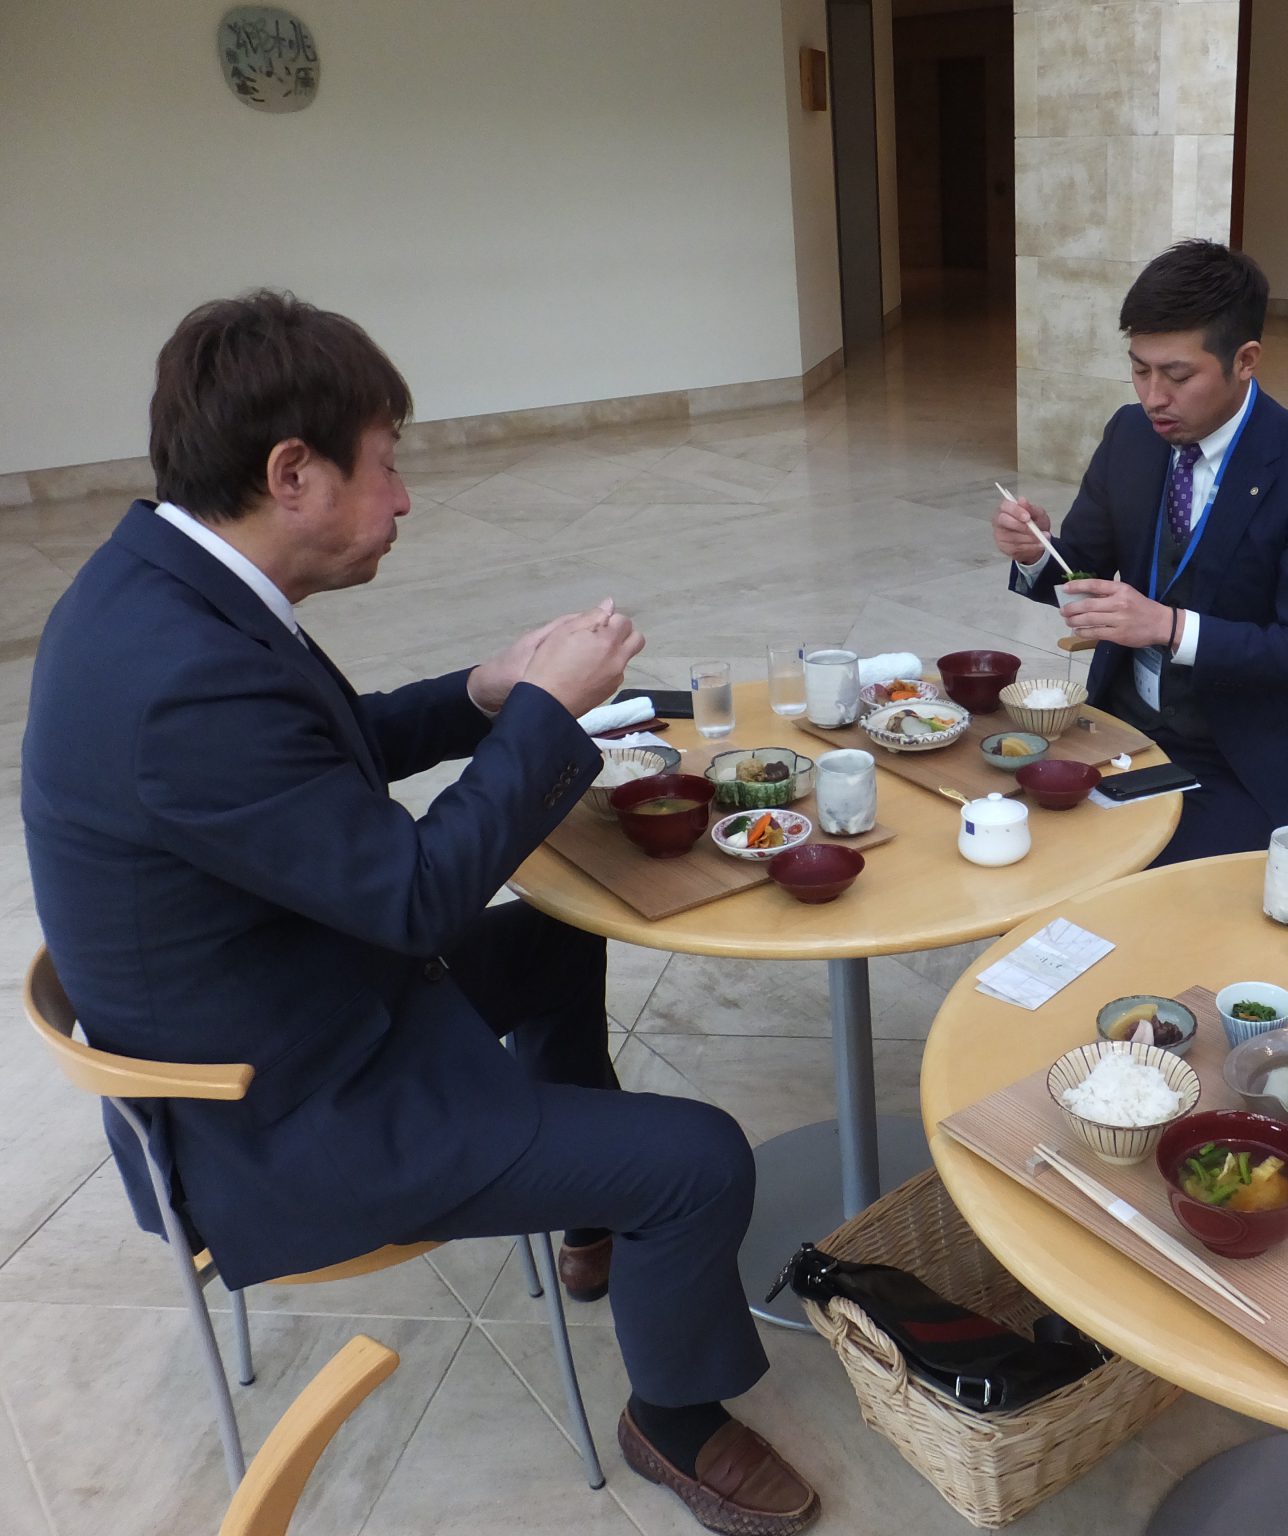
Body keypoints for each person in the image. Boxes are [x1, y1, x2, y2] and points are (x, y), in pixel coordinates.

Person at [20, 292, 818, 1536]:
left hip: (288, 1003)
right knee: (702, 1158)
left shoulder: (165, 588)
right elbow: (412, 897)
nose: (403, 499)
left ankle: (591, 1214)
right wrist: (546, 719)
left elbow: (317, 753)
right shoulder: (181, 682)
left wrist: (483, 693)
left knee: (560, 938)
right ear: (292, 473)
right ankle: (673, 1418)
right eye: (385, 465)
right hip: (278, 1116)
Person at [994, 240, 1288, 863]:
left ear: (1245, 361)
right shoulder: (1131, 435)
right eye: (1140, 370)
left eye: (1178, 375)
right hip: (1118, 729)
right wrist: (1036, 552)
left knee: (1154, 893)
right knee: (1009, 842)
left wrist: (1168, 627)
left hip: (1237, 759)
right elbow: (1081, 569)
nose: (1153, 397)